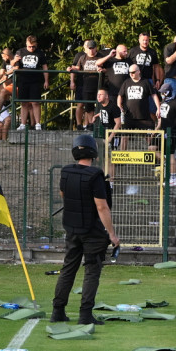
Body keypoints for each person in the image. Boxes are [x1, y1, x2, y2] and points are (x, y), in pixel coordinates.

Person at [51, 135, 120, 325]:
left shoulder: (66, 172)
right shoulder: (95, 175)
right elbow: (102, 207)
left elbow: (63, 194)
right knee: (91, 271)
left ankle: (57, 311)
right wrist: (112, 235)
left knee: (68, 269)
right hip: (92, 231)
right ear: (93, 153)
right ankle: (85, 314)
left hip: (72, 228)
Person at [13, 35, 50, 130]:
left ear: (36, 44)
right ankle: (22, 124)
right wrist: (14, 61)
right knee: (24, 103)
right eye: (30, 46)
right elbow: (14, 66)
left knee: (36, 102)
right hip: (23, 80)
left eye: (33, 46)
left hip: (35, 81)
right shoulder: (20, 52)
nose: (32, 48)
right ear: (26, 44)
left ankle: (38, 124)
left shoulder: (40, 53)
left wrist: (46, 80)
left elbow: (45, 67)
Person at [156, 83, 176, 188]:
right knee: (152, 148)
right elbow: (161, 119)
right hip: (163, 132)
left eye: (163, 92)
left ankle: (173, 178)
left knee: (170, 154)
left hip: (172, 132)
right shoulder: (163, 103)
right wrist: (155, 130)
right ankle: (167, 162)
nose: (162, 94)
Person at [68, 40, 103, 130]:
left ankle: (97, 125)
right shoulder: (82, 57)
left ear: (96, 48)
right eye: (89, 48)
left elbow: (106, 68)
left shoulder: (100, 57)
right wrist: (71, 68)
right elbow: (78, 67)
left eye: (93, 48)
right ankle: (90, 125)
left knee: (100, 105)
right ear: (86, 49)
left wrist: (102, 70)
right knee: (88, 107)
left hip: (99, 85)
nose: (91, 50)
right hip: (86, 86)